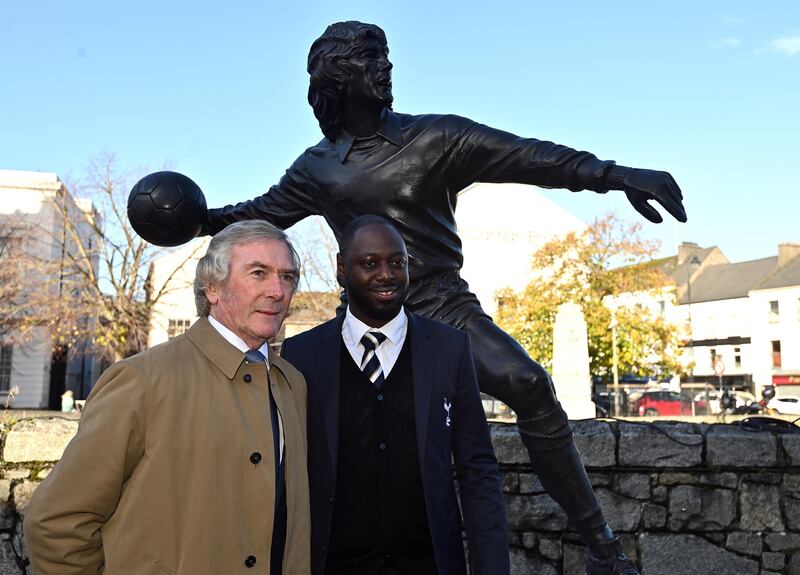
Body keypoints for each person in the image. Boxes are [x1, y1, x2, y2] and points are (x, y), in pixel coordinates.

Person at [203, 21, 687, 574]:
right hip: (360, 319)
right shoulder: (316, 167)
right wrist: (193, 219)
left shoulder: (434, 138)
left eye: (384, 56)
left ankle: (604, 549)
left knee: (528, 382)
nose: (386, 67)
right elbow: (256, 214)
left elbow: (527, 156)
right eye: (370, 59)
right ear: (339, 75)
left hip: (441, 303)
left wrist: (614, 175)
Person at [24, 220, 310, 575]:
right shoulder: (142, 379)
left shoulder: (292, 384)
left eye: (288, 277)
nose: (278, 291)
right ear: (212, 288)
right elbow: (55, 524)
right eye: (258, 273)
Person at [281, 215, 509, 575]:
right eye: (370, 263)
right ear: (342, 268)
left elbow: (477, 468)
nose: (386, 274)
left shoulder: (449, 348)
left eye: (397, 263)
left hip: (429, 565)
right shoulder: (301, 355)